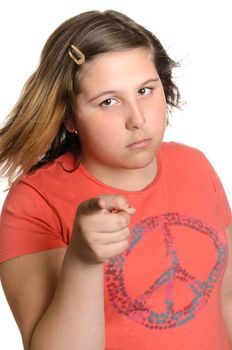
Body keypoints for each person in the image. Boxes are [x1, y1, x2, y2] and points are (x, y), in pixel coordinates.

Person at [0, 9, 231, 350]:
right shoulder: (34, 202)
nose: (136, 119)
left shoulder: (195, 165)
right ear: (69, 118)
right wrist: (82, 260)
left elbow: (225, 302)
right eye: (108, 101)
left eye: (145, 90)